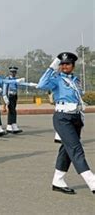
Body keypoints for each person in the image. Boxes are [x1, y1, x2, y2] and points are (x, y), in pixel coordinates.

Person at [37, 52, 95, 195]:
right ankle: (92, 182)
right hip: (63, 117)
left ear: (73, 66)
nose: (64, 66)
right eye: (62, 64)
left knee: (66, 150)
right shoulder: (56, 79)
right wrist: (52, 66)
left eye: (67, 64)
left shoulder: (76, 80)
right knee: (76, 149)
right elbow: (41, 84)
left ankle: (58, 180)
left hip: (75, 117)